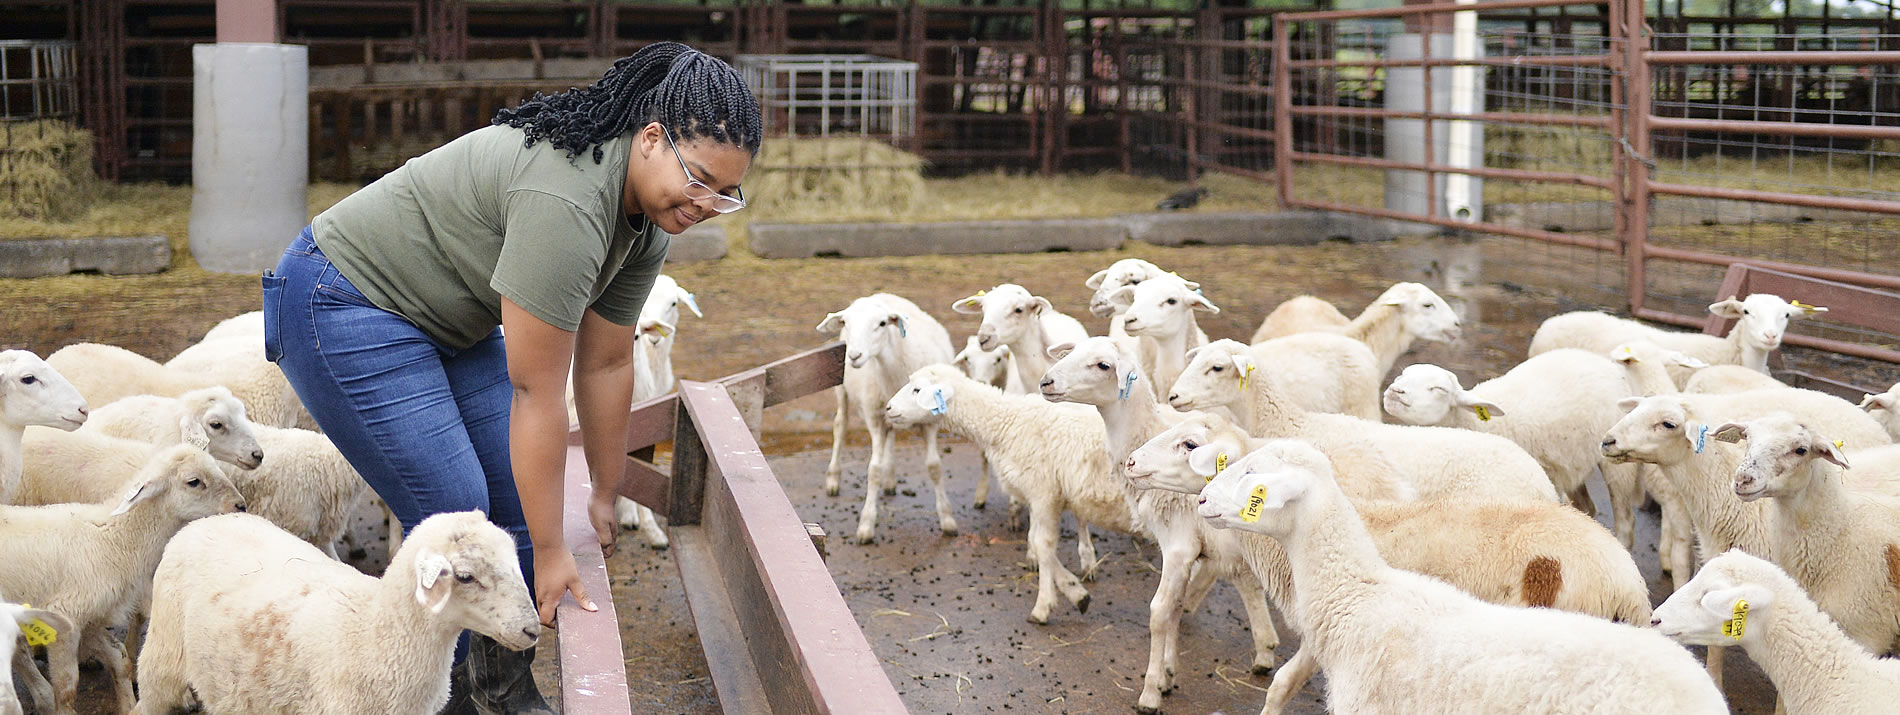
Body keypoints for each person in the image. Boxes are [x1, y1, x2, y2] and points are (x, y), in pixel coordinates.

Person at [261, 41, 761, 713]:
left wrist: (607, 491)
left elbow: (610, 360)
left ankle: (500, 689)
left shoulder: (646, 223)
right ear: (649, 139)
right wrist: (553, 550)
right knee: (459, 504)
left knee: (517, 492)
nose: (706, 202)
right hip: (341, 299)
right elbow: (536, 391)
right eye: (699, 179)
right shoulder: (570, 204)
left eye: (726, 194)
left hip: (440, 319)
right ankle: (433, 698)